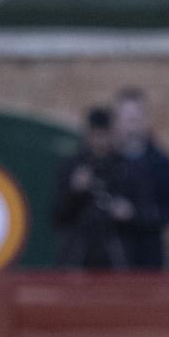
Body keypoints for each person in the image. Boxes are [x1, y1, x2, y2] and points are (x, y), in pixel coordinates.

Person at [102, 88, 169, 270]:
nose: (129, 125)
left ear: (144, 120)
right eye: (124, 119)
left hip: (150, 259)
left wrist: (136, 215)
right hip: (110, 261)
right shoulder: (106, 162)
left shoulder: (161, 163)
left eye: (134, 118)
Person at [52, 106, 132, 271]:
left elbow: (139, 211)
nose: (99, 141)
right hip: (78, 256)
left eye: (104, 135)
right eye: (95, 135)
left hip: (114, 255)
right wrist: (75, 192)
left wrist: (128, 212)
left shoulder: (124, 167)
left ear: (111, 135)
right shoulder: (73, 166)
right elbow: (58, 215)